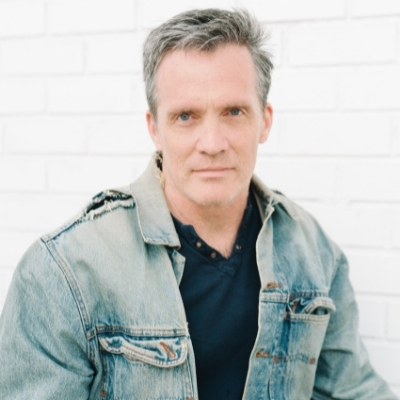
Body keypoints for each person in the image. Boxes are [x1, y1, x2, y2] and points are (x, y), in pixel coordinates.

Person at [0, 8, 396, 400]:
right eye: (186, 116)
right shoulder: (63, 272)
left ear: (265, 121)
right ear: (155, 128)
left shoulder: (312, 252)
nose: (211, 143)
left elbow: (351, 390)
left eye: (234, 111)